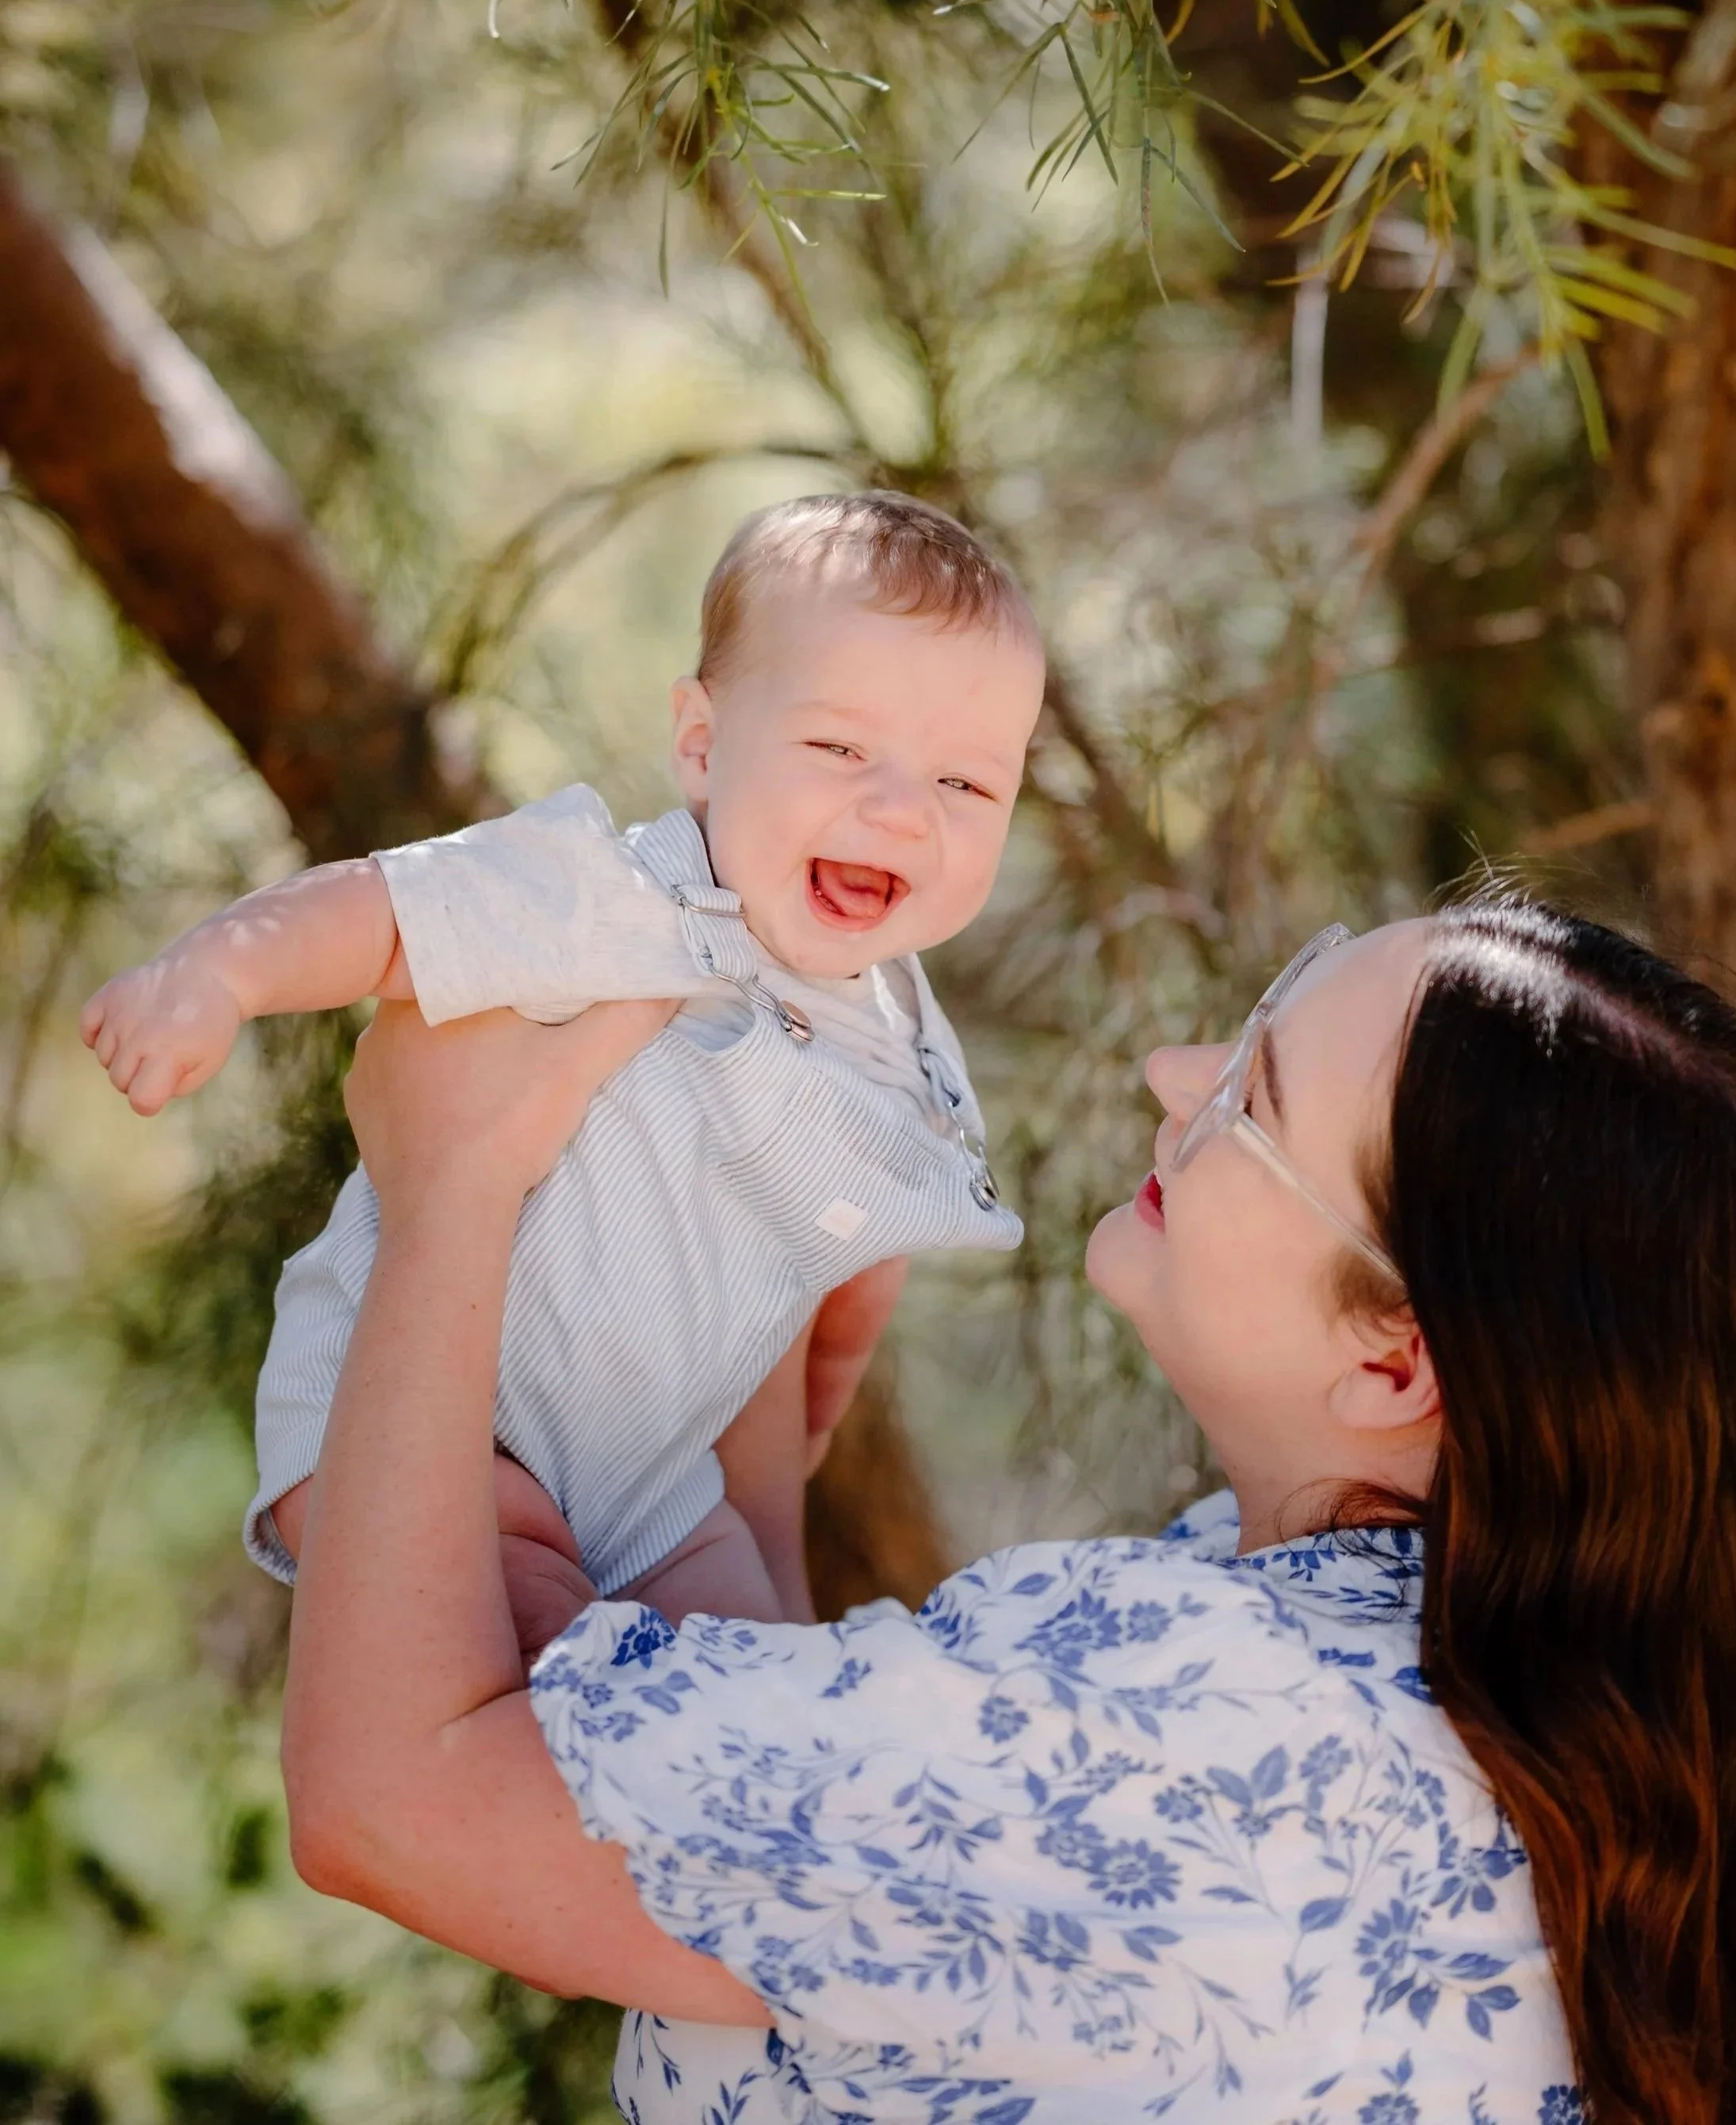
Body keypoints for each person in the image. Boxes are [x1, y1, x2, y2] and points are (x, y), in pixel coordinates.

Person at [280, 898, 1736, 2123]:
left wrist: (450, 1198)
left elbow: (391, 1799)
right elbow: (820, 1890)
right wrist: (746, 1473)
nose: (1173, 1067)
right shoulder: (1501, 1727)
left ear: (1395, 1354)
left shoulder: (1198, 1723)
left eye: (1251, 1094)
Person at [76, 492, 1042, 1641]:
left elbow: (858, 1268)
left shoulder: (899, 1032)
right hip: (440, 1433)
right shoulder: (618, 892)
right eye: (839, 746)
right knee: (538, 1654)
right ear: (701, 742)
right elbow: (396, 907)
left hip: (656, 1485)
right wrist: (217, 975)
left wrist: (811, 1418)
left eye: (966, 785)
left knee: (765, 1674)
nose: (900, 813)